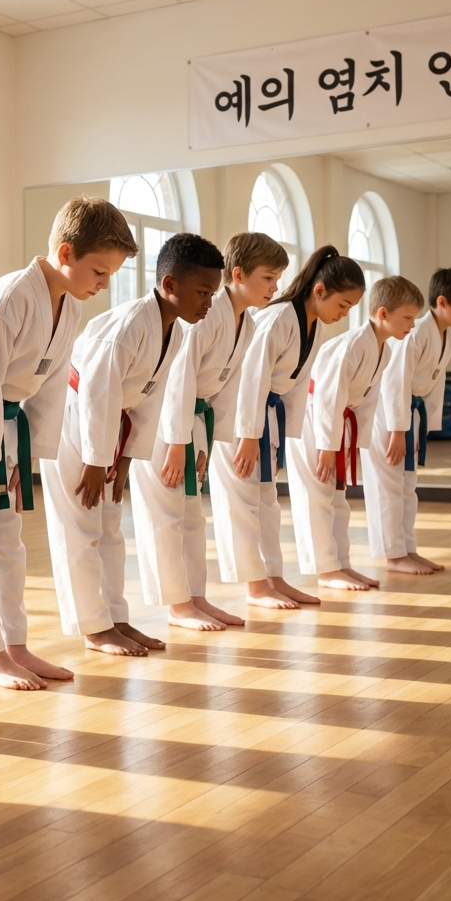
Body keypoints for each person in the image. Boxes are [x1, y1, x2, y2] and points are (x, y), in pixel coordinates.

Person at [0, 197, 135, 690]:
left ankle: (14, 645)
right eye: (99, 272)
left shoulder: (69, 308)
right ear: (66, 252)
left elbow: (48, 390)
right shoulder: (10, 299)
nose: (103, 285)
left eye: (109, 276)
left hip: (6, 425)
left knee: (8, 543)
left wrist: (28, 458)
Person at [41, 233, 222, 656]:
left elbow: (148, 401)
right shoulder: (126, 327)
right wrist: (94, 460)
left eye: (212, 294)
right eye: (201, 293)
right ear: (170, 285)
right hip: (77, 422)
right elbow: (97, 394)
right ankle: (94, 626)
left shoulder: (172, 332)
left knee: (109, 530)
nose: (208, 304)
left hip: (109, 431)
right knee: (80, 528)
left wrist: (125, 460)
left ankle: (115, 618)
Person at [130, 232, 289, 631]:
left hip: (196, 422)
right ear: (238, 275)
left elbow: (229, 388)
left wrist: (215, 442)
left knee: (191, 517)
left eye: (277, 279)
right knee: (165, 515)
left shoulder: (245, 322)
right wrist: (179, 444)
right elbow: (179, 379)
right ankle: (176, 605)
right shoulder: (204, 313)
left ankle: (195, 597)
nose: (275, 287)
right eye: (268, 278)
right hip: (166, 421)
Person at [211, 246, 366, 609]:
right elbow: (251, 376)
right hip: (239, 416)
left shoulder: (313, 326)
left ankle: (274, 579)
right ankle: (254, 586)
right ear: (319, 291)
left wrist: (284, 440)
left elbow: (295, 388)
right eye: (342, 305)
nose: (344, 315)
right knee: (243, 502)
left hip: (268, 418)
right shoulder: (278, 317)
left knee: (267, 503)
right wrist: (248, 436)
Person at [287, 276, 425, 591]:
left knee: (339, 499)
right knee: (318, 496)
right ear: (383, 313)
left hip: (339, 426)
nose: (412, 325)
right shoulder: (350, 345)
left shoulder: (384, 351)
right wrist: (326, 446)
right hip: (314, 423)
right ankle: (325, 569)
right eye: (407, 318)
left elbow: (366, 405)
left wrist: (356, 447)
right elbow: (327, 397)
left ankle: (341, 564)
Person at [361, 267, 451, 574]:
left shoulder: (445, 337)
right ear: (442, 301)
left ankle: (407, 549)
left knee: (407, 486)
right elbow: (394, 381)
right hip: (387, 416)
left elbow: (431, 386)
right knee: (388, 484)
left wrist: (424, 429)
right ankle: (392, 554)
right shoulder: (415, 331)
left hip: (410, 415)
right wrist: (398, 431)